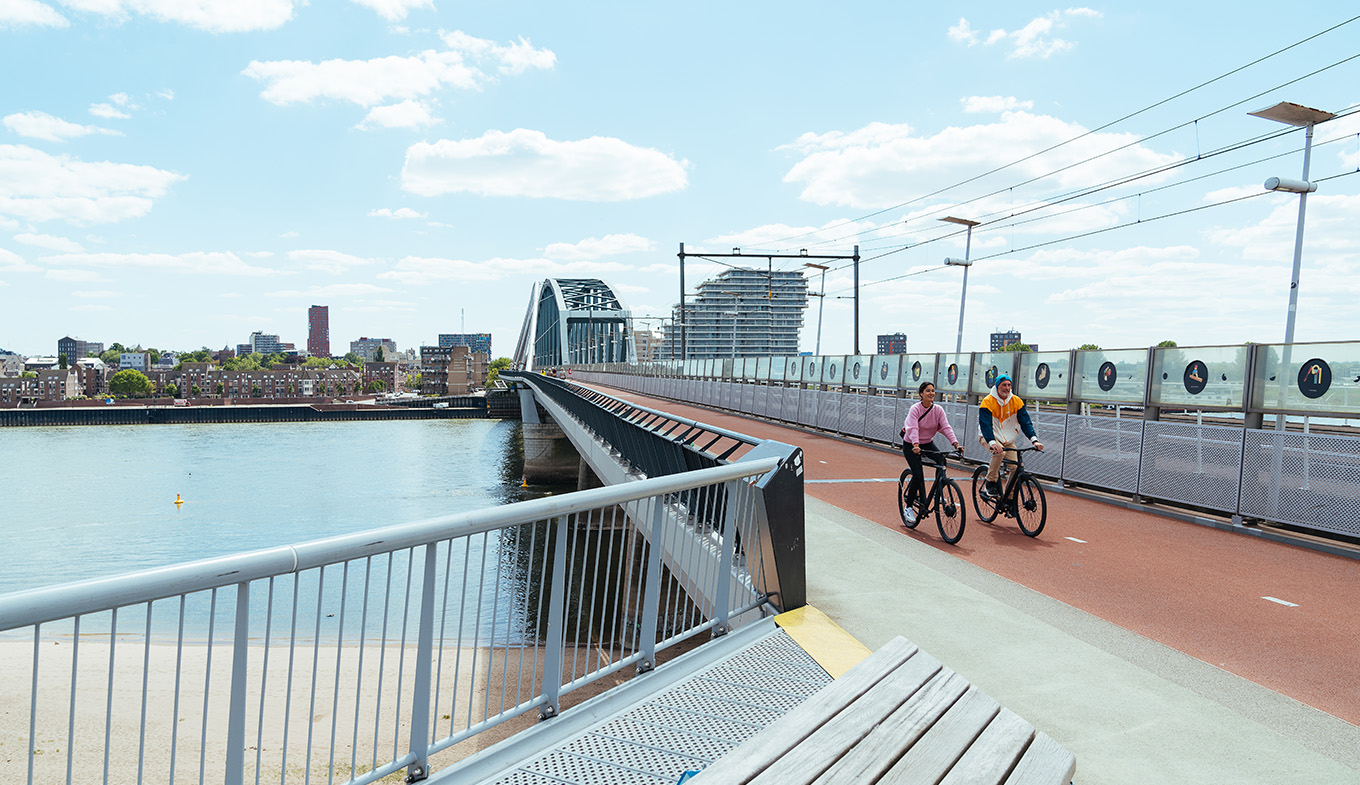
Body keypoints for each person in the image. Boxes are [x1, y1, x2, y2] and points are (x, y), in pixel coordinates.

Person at [901, 381, 961, 525]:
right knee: (918, 475)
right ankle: (908, 507)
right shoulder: (915, 409)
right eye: (927, 391)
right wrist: (915, 444)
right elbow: (912, 428)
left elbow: (945, 427)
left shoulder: (938, 410)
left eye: (933, 390)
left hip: (927, 442)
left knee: (942, 460)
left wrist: (955, 443)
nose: (931, 393)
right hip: (911, 444)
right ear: (921, 394)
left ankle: (937, 492)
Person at [978, 373, 1043, 497]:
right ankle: (990, 482)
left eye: (1009, 385)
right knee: (999, 453)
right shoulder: (988, 401)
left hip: (1007, 440)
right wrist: (992, 443)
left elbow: (1025, 422)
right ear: (997, 386)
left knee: (1016, 469)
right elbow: (985, 425)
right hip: (988, 436)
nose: (1007, 388)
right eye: (1004, 385)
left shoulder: (1016, 401)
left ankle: (1009, 498)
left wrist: (1034, 440)